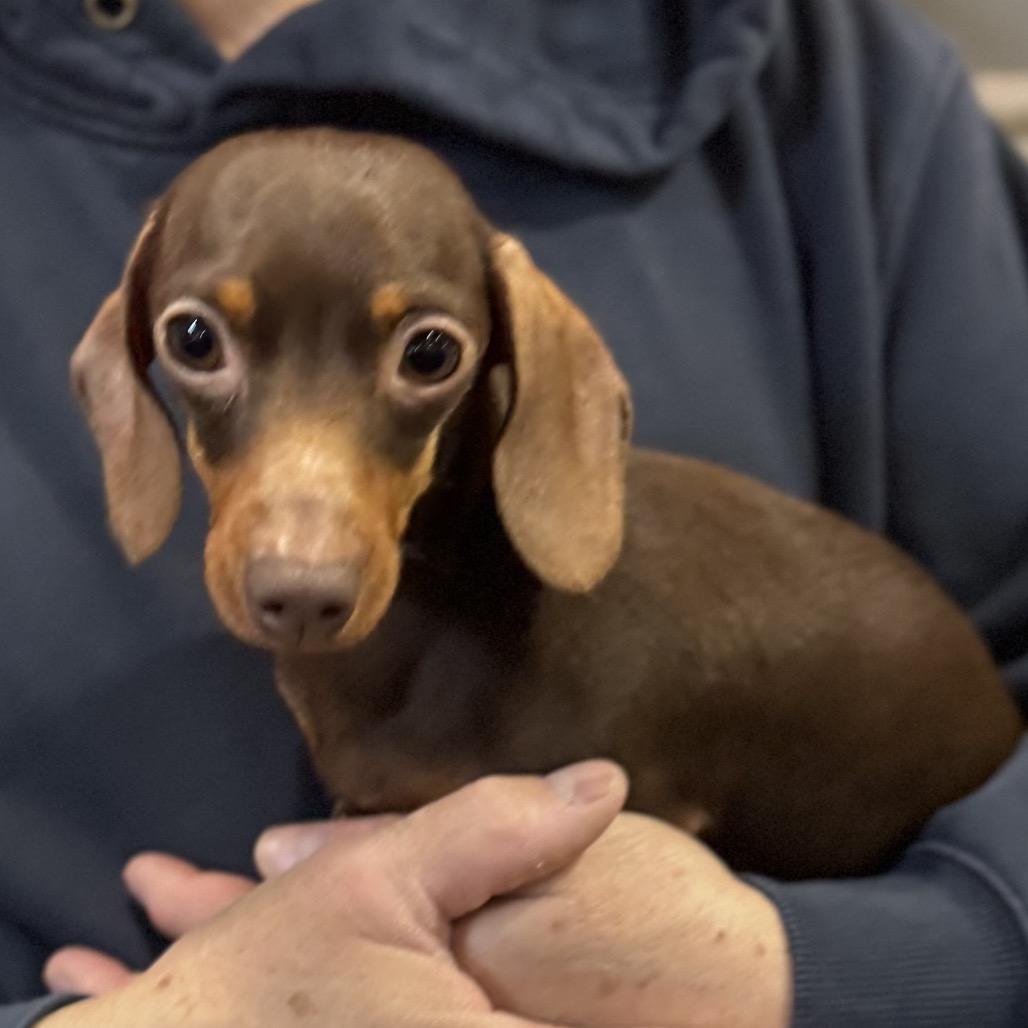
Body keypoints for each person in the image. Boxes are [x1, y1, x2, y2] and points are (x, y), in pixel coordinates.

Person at [1, 0, 1027, 1024]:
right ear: (132, 350)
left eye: (426, 355)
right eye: (196, 342)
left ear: (506, 366)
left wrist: (812, 969)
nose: (300, 559)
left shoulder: (831, 88)